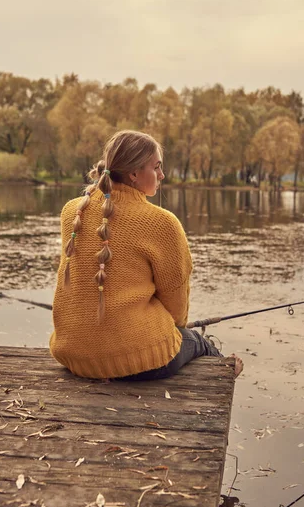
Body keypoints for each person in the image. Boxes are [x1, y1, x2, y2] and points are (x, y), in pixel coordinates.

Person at [50, 130, 243, 381]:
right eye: (157, 167)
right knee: (196, 341)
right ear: (134, 174)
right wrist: (170, 328)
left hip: (72, 355)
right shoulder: (161, 223)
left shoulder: (72, 212)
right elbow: (177, 312)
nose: (162, 175)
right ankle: (226, 371)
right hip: (133, 361)